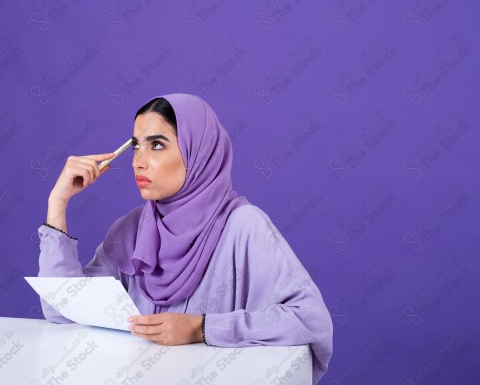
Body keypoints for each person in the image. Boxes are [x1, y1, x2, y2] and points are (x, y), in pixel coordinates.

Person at [37, 93, 333, 383]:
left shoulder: (244, 226)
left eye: (156, 145)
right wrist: (58, 203)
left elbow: (309, 320)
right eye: (136, 146)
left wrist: (203, 328)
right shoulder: (133, 229)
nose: (138, 162)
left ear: (198, 152)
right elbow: (63, 309)